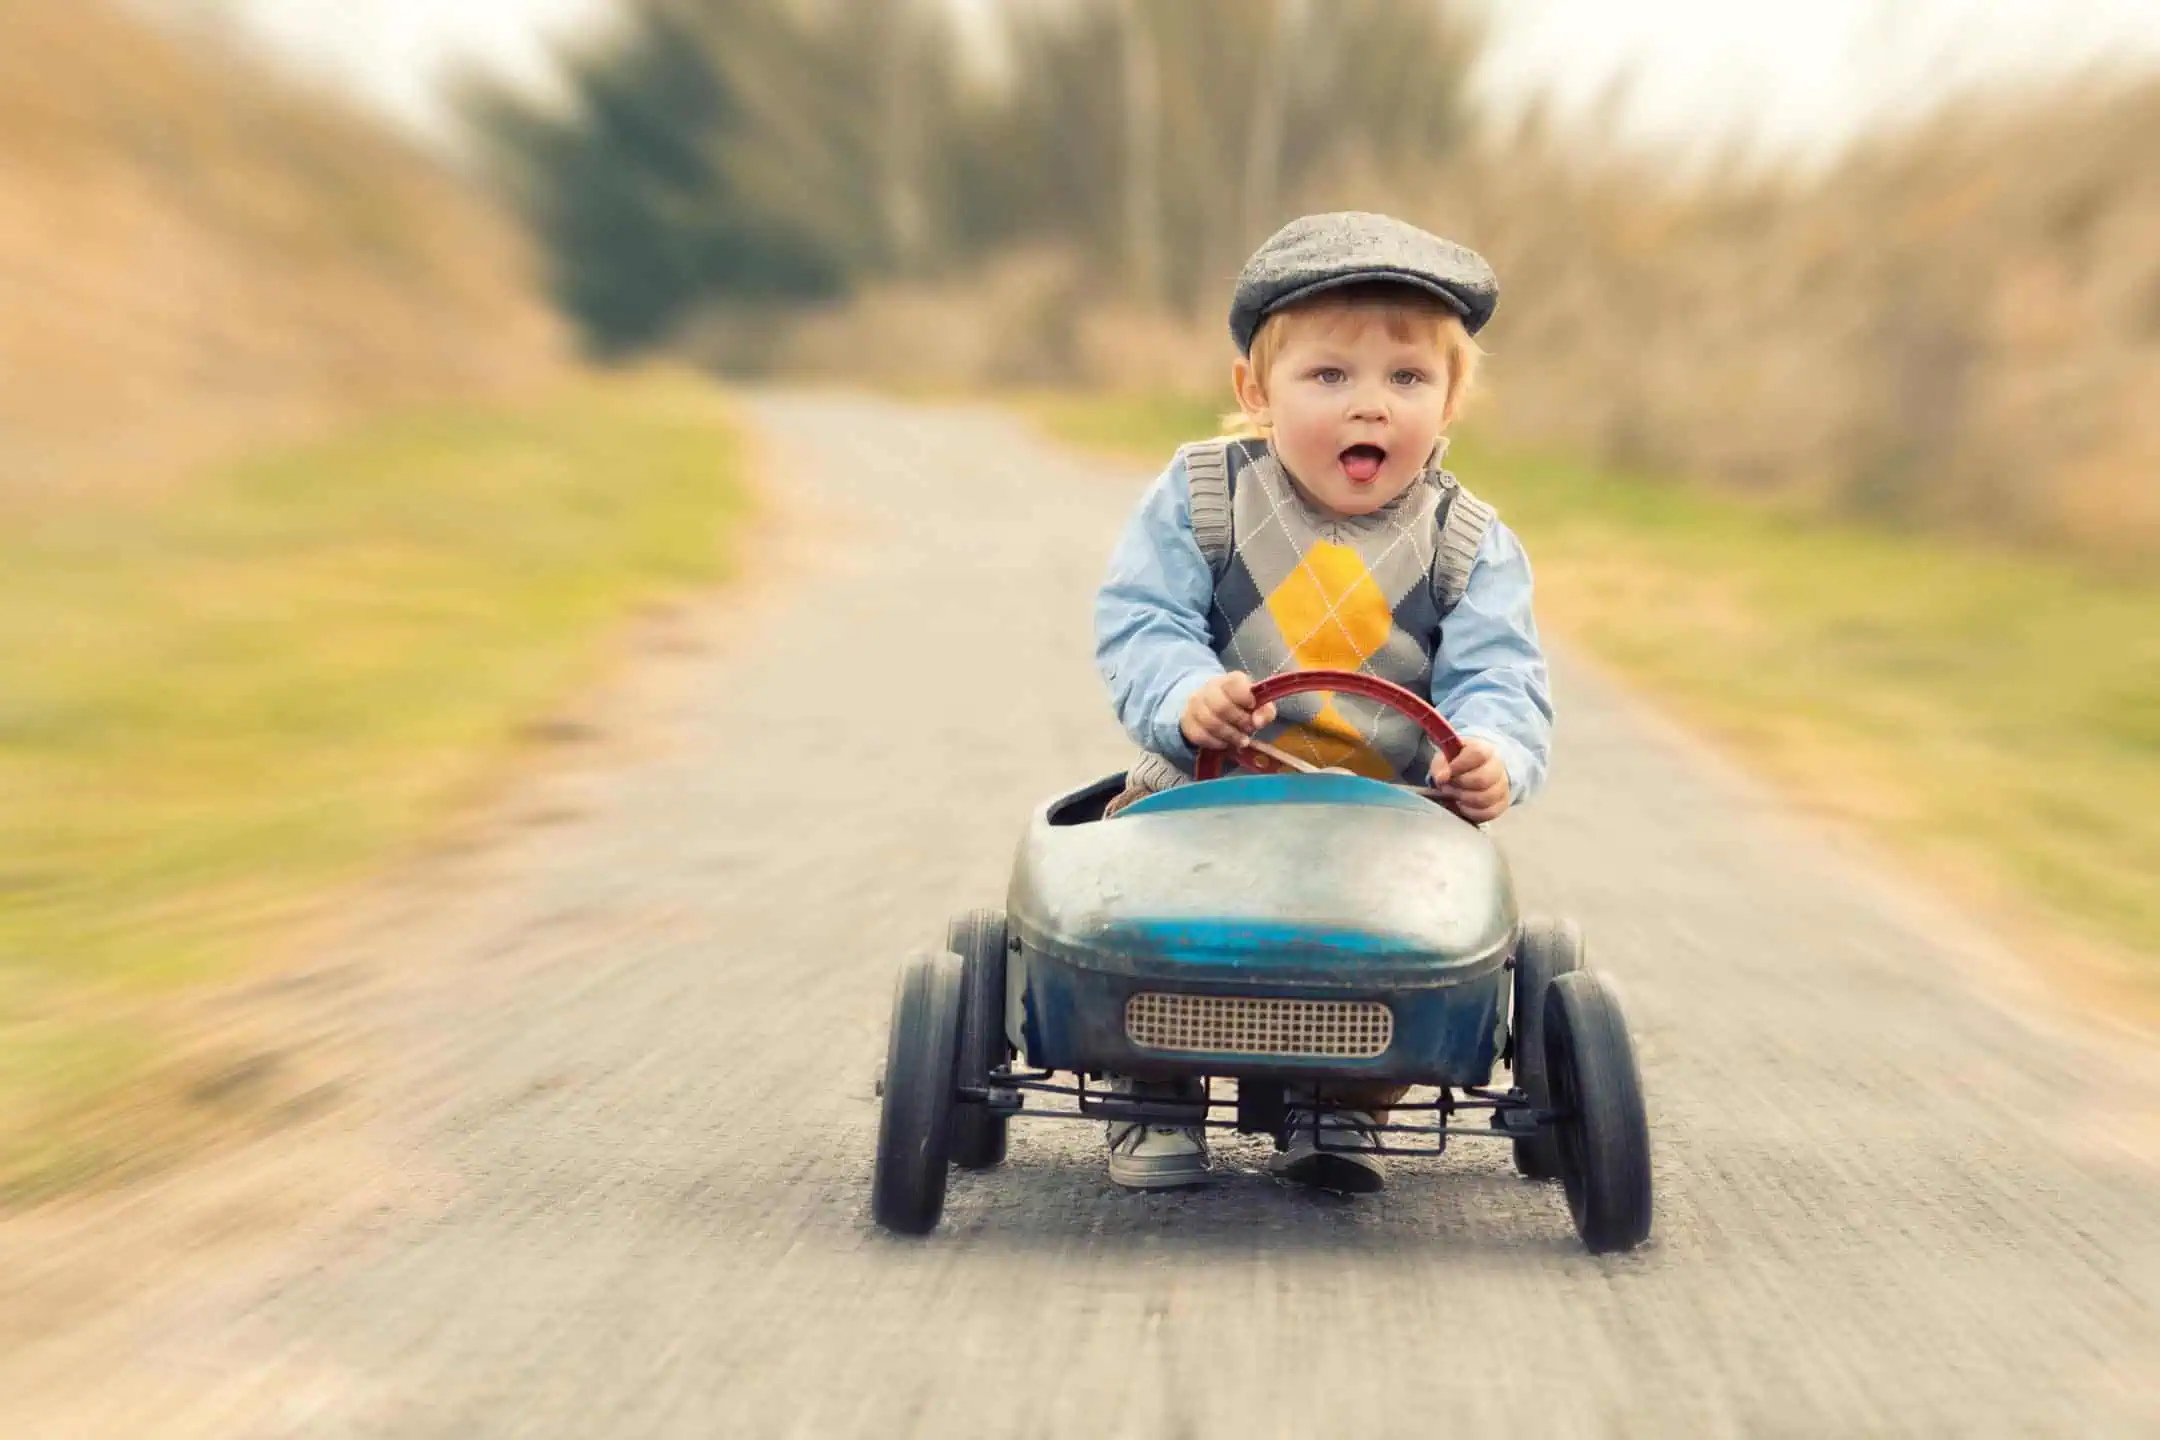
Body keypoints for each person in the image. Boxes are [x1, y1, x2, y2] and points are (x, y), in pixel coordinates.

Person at [1091, 212, 1554, 1194]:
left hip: (1383, 816)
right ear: (1257, 393)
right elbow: (1140, 620)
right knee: (1137, 910)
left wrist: (1490, 756)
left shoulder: (1467, 543)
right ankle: (1154, 1087)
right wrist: (1185, 694)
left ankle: (1344, 1097)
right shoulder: (1203, 494)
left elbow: (1500, 676)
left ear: (1450, 401)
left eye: (1407, 378)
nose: (1371, 408)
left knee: (1409, 935)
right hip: (1203, 788)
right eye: (1330, 376)